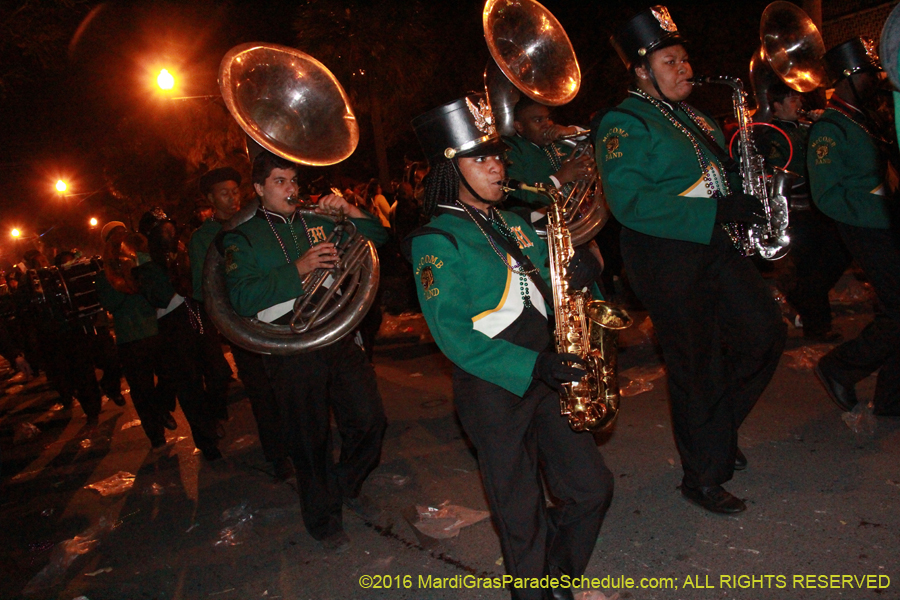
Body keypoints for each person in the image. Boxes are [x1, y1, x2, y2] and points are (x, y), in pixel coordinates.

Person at [408, 94, 613, 600]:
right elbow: (454, 335)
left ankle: (558, 578)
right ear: (448, 168)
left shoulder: (516, 224)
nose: (497, 166)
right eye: (481, 158)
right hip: (493, 389)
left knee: (591, 489)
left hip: (548, 375)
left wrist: (585, 272)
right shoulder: (436, 241)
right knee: (519, 516)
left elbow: (556, 282)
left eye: (497, 155)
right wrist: (535, 364)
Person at [596, 7, 786, 514]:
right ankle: (702, 476)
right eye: (669, 60)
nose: (684, 68)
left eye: (684, 59)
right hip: (664, 255)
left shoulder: (699, 117)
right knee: (695, 364)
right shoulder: (623, 122)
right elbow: (630, 202)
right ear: (640, 70)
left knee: (765, 333)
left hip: (714, 245)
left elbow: (721, 178)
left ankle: (715, 432)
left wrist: (751, 176)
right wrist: (716, 208)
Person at [223, 150, 388, 552]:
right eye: (280, 181)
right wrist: (298, 269)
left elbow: (381, 239)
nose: (291, 189)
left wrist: (349, 208)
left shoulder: (320, 220)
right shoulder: (240, 237)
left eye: (293, 181)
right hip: (288, 343)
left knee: (371, 421)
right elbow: (241, 297)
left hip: (335, 331)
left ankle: (343, 483)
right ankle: (323, 518)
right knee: (309, 438)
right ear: (259, 189)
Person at [808, 38, 900, 416]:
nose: (874, 78)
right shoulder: (829, 130)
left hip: (887, 224)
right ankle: (840, 367)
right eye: (867, 72)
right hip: (866, 228)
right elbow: (828, 195)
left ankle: (892, 400)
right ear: (848, 76)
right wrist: (886, 208)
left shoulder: (864, 118)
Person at [189, 166, 293, 481]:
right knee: (261, 392)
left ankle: (300, 444)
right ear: (210, 199)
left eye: (235, 191)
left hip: (272, 314)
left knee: (288, 385)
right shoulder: (202, 238)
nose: (233, 198)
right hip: (240, 324)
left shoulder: (254, 223)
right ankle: (278, 456)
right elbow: (201, 288)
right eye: (224, 192)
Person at [757, 83, 851, 342]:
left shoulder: (807, 128)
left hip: (818, 207)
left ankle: (802, 297)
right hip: (794, 211)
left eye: (797, 97)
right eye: (791, 99)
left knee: (838, 256)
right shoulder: (770, 133)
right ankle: (818, 326)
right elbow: (785, 167)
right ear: (776, 106)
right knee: (811, 268)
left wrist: (824, 126)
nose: (798, 103)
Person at [503, 97, 595, 211]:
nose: (547, 124)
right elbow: (518, 194)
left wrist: (573, 131)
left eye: (548, 118)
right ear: (519, 126)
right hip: (540, 223)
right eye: (538, 120)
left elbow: (599, 137)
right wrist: (560, 178)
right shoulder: (511, 148)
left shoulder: (560, 141)